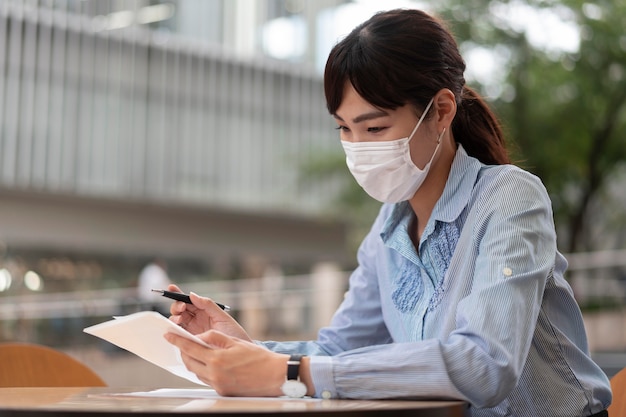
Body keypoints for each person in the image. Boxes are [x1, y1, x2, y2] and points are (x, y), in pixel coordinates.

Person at [164, 8, 612, 416]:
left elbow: (485, 363)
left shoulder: (509, 197)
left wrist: (289, 372)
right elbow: (341, 350)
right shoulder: (388, 229)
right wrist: (245, 348)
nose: (358, 149)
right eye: (345, 129)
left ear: (440, 111)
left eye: (375, 127)